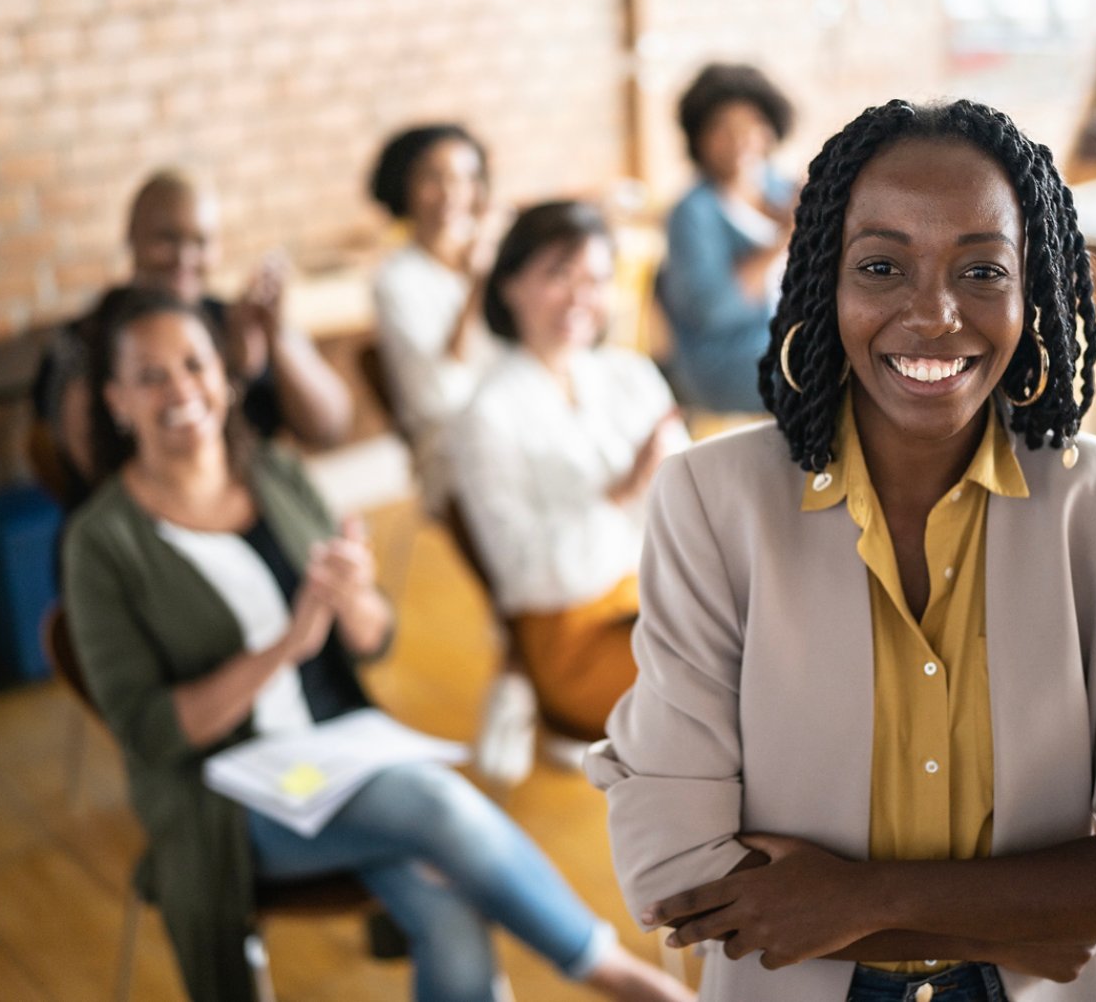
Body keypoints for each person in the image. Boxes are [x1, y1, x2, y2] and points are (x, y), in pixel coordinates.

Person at [587, 98, 1096, 1001]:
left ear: (1031, 287)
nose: (933, 315)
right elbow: (671, 868)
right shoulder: (712, 503)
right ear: (826, 283)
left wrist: (864, 901)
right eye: (883, 266)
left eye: (981, 270)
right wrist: (1027, 916)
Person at [62, 286, 693, 1002]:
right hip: (226, 796)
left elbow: (373, 638)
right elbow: (150, 732)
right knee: (435, 805)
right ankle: (618, 976)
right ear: (116, 400)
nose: (180, 389)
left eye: (194, 364)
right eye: (150, 376)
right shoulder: (99, 544)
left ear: (226, 373)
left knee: (448, 906)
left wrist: (352, 597)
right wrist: (282, 650)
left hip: (340, 753)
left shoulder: (274, 473)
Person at [449, 201, 689, 742]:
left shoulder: (630, 374)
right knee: (760, 682)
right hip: (575, 636)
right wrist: (624, 493)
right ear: (509, 284)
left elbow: (692, 517)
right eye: (560, 275)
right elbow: (526, 573)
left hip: (668, 604)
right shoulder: (486, 415)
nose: (582, 298)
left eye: (597, 280)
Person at [32, 168, 352, 509]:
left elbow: (329, 428)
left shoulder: (234, 320)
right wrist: (233, 374)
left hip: (249, 514)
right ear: (131, 238)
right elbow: (103, 469)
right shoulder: (87, 340)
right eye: (166, 239)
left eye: (201, 242)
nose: (184, 259)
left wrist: (276, 338)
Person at [369, 125, 504, 513]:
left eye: (465, 178)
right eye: (433, 178)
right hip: (452, 442)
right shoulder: (396, 281)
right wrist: (478, 284)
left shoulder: (496, 244)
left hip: (513, 408)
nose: (451, 193)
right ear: (403, 186)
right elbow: (438, 395)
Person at [657, 62, 797, 413]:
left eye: (750, 125)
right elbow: (711, 310)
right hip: (724, 363)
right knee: (828, 379)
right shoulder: (692, 212)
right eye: (721, 129)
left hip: (791, 342)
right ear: (698, 141)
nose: (738, 141)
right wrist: (783, 241)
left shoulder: (784, 190)